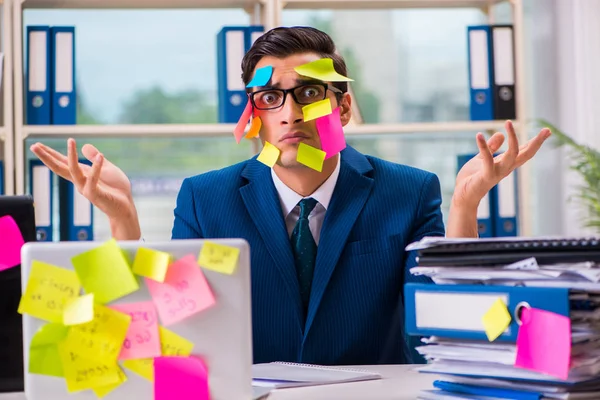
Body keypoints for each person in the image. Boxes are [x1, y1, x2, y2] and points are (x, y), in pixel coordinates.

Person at [31, 26, 551, 366]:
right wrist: (124, 223)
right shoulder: (205, 198)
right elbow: (164, 337)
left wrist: (465, 206)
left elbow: (451, 322)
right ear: (254, 113)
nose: (290, 114)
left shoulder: (408, 190)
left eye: (308, 93)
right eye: (270, 97)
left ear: (341, 108)